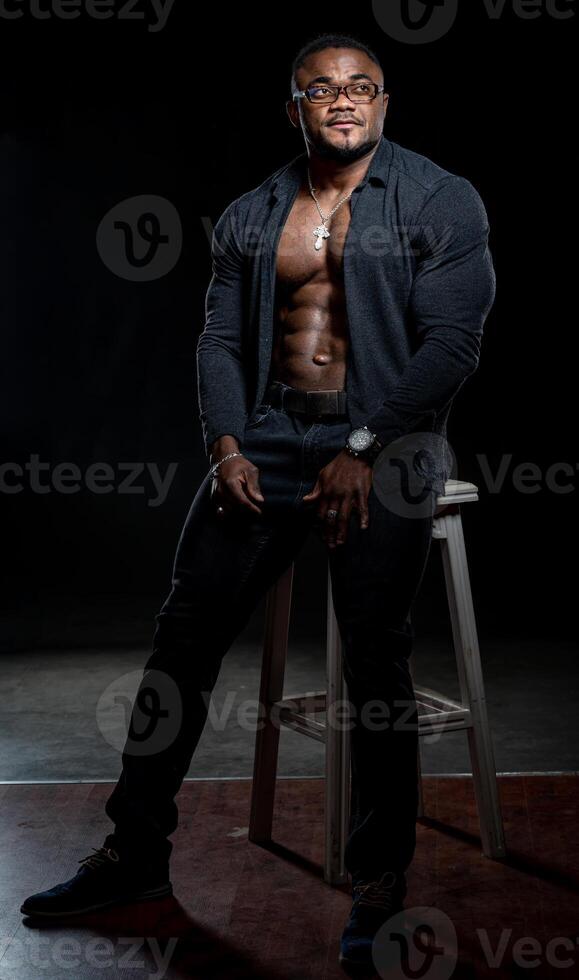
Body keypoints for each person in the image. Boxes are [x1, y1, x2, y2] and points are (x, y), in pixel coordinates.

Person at [21, 30, 495, 977]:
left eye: (362, 87)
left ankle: (377, 880)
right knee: (181, 640)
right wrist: (227, 445)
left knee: (375, 659)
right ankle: (133, 853)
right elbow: (216, 342)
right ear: (295, 109)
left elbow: (451, 348)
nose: (344, 101)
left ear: (385, 102)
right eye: (322, 91)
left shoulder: (441, 200)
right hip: (273, 438)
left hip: (389, 442)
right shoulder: (252, 213)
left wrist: (363, 447)